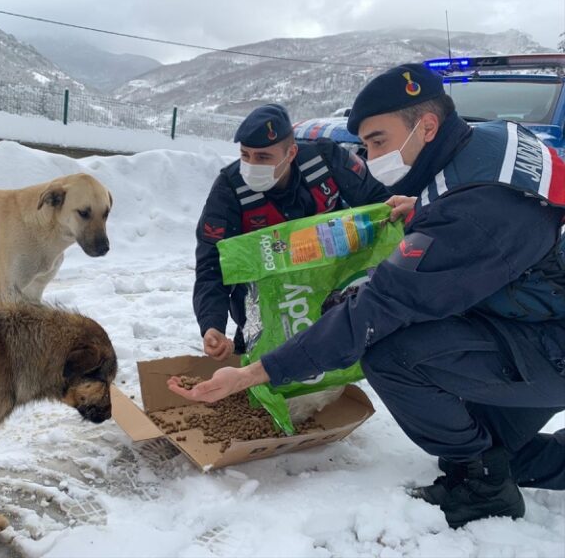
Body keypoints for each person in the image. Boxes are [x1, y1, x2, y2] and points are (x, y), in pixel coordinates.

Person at [172, 64, 565, 529]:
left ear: (428, 126)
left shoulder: (469, 215)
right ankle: (487, 468)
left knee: (388, 350)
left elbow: (376, 309)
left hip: (547, 340)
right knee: (501, 452)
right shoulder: (496, 139)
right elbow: (505, 215)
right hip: (536, 312)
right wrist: (425, 207)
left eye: (378, 140)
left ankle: (483, 490)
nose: (369, 154)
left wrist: (254, 374)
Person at [193, 103, 399, 361]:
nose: (251, 165)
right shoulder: (230, 189)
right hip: (264, 305)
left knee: (329, 368)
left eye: (263, 157)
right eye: (245, 155)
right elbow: (212, 263)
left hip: (331, 295)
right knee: (261, 374)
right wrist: (212, 324)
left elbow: (380, 203)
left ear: (291, 153)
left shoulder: (326, 160)